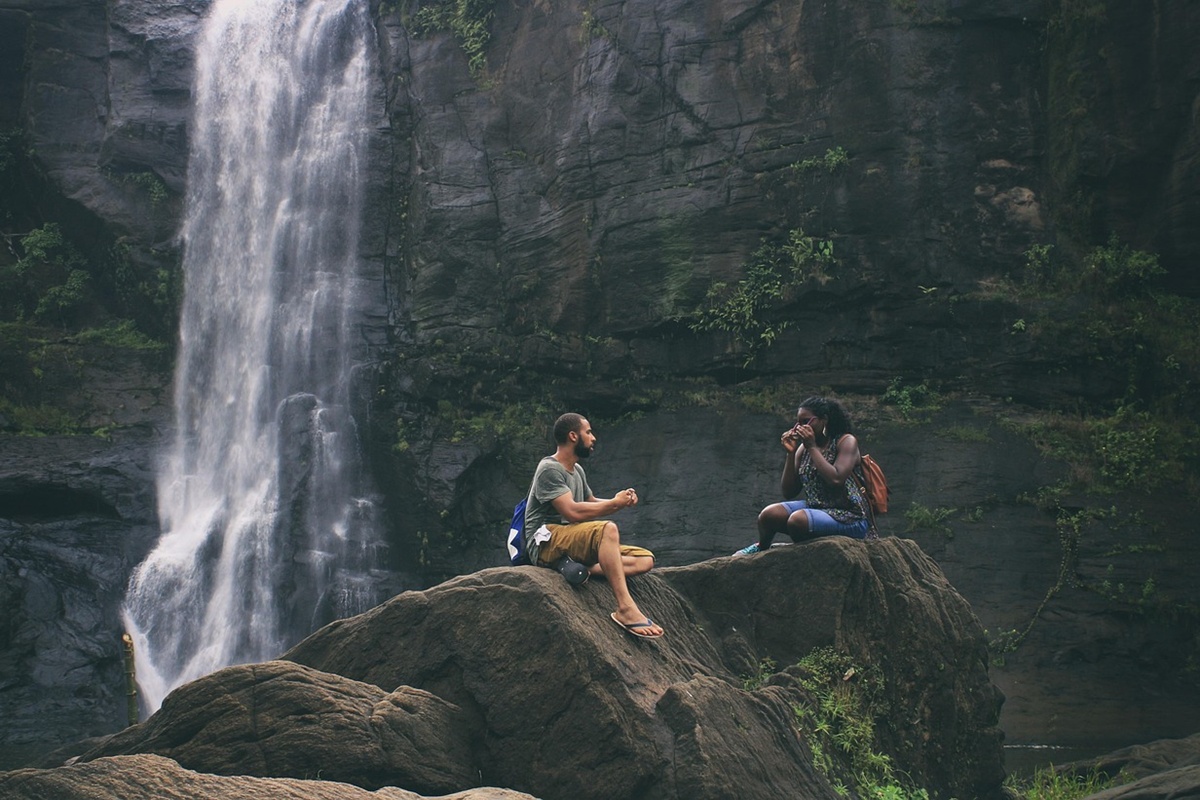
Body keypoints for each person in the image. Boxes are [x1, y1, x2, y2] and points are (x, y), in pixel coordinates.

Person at [522, 412, 664, 638]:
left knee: (645, 559)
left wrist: (619, 501)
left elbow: (590, 502)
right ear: (573, 436)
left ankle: (578, 567)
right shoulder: (549, 468)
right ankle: (626, 609)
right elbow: (572, 511)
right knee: (607, 529)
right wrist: (613, 506)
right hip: (545, 540)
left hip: (569, 537)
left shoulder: (576, 470)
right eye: (588, 432)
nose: (593, 437)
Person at [735, 396, 875, 555]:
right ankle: (762, 547)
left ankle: (803, 551)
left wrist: (812, 447)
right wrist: (791, 452)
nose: (798, 428)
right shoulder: (803, 449)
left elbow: (836, 479)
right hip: (817, 508)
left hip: (850, 517)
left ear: (824, 420)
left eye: (806, 422)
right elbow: (789, 491)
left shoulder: (845, 442)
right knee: (769, 515)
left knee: (798, 520)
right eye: (798, 423)